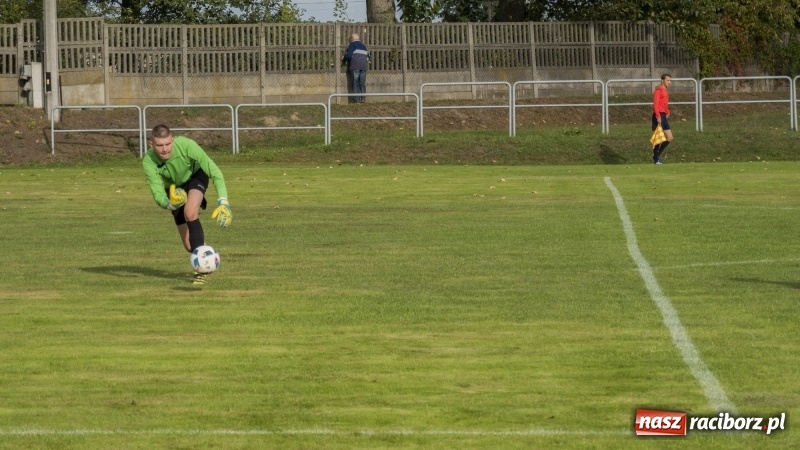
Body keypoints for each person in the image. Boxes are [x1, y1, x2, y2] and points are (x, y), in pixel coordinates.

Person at [142, 124, 232, 285]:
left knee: (190, 212)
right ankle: (206, 254)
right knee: (189, 245)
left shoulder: (187, 145)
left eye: (168, 144)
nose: (165, 149)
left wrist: (223, 202)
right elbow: (157, 193)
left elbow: (215, 172)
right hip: (173, 191)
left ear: (173, 141)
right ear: (151, 144)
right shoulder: (149, 161)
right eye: (160, 145)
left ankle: (201, 272)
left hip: (196, 176)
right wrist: (170, 204)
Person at [342, 33, 370, 103]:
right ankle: (363, 99)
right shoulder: (364, 46)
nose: (350, 40)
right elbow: (367, 57)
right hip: (363, 67)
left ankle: (356, 100)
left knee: (355, 83)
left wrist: (343, 58)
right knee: (362, 84)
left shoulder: (352, 45)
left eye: (350, 39)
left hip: (355, 66)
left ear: (352, 38)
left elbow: (349, 56)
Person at [652, 73, 673, 164]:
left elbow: (663, 104)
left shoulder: (665, 90)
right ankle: (656, 159)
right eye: (667, 80)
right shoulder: (659, 90)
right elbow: (655, 105)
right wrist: (658, 116)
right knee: (658, 137)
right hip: (659, 116)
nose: (669, 82)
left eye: (670, 80)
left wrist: (667, 111)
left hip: (663, 115)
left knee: (670, 138)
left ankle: (656, 156)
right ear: (662, 80)